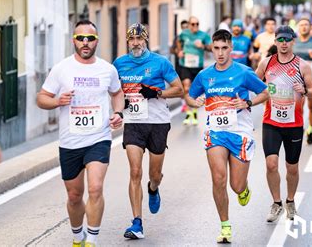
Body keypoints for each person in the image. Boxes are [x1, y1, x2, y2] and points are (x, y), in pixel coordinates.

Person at [37, 20, 124, 247]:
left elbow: (117, 93)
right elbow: (41, 98)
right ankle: (78, 238)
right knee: (75, 196)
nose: (85, 43)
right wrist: (57, 101)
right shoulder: (61, 69)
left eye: (90, 39)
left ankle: (91, 241)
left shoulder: (107, 69)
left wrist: (118, 113)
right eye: (80, 38)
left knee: (95, 188)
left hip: (99, 138)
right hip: (70, 141)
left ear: (97, 41)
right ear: (73, 40)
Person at [185, 29, 269, 243]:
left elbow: (266, 91)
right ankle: (225, 226)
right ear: (211, 49)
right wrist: (196, 103)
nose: (220, 53)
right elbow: (190, 96)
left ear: (231, 48)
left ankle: (244, 189)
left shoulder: (243, 72)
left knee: (236, 185)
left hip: (240, 133)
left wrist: (248, 102)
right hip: (216, 132)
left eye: (224, 48)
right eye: (216, 48)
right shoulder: (204, 75)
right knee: (218, 178)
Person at [113, 23, 184, 239]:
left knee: (155, 174)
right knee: (135, 171)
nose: (135, 43)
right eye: (132, 40)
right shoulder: (119, 64)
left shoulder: (160, 62)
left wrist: (157, 93)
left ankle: (153, 188)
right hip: (134, 123)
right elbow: (112, 90)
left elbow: (179, 90)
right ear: (127, 41)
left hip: (158, 123)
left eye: (139, 39)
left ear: (146, 40)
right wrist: (119, 104)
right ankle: (137, 223)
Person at [256, 25, 312, 222]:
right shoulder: (266, 63)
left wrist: (305, 90)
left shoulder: (302, 66)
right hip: (271, 122)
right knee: (271, 164)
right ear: (275, 42)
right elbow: (252, 82)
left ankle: (290, 201)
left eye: (287, 40)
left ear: (293, 41)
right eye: (280, 40)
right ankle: (276, 203)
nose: (283, 43)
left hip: (293, 124)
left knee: (292, 167)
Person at [176, 16, 212, 125]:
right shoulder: (184, 34)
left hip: (197, 66)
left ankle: (194, 111)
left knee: (195, 91)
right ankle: (188, 113)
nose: (195, 26)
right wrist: (180, 51)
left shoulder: (203, 35)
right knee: (186, 87)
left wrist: (203, 46)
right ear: (189, 25)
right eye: (193, 24)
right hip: (185, 65)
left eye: (197, 24)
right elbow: (178, 41)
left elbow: (211, 47)